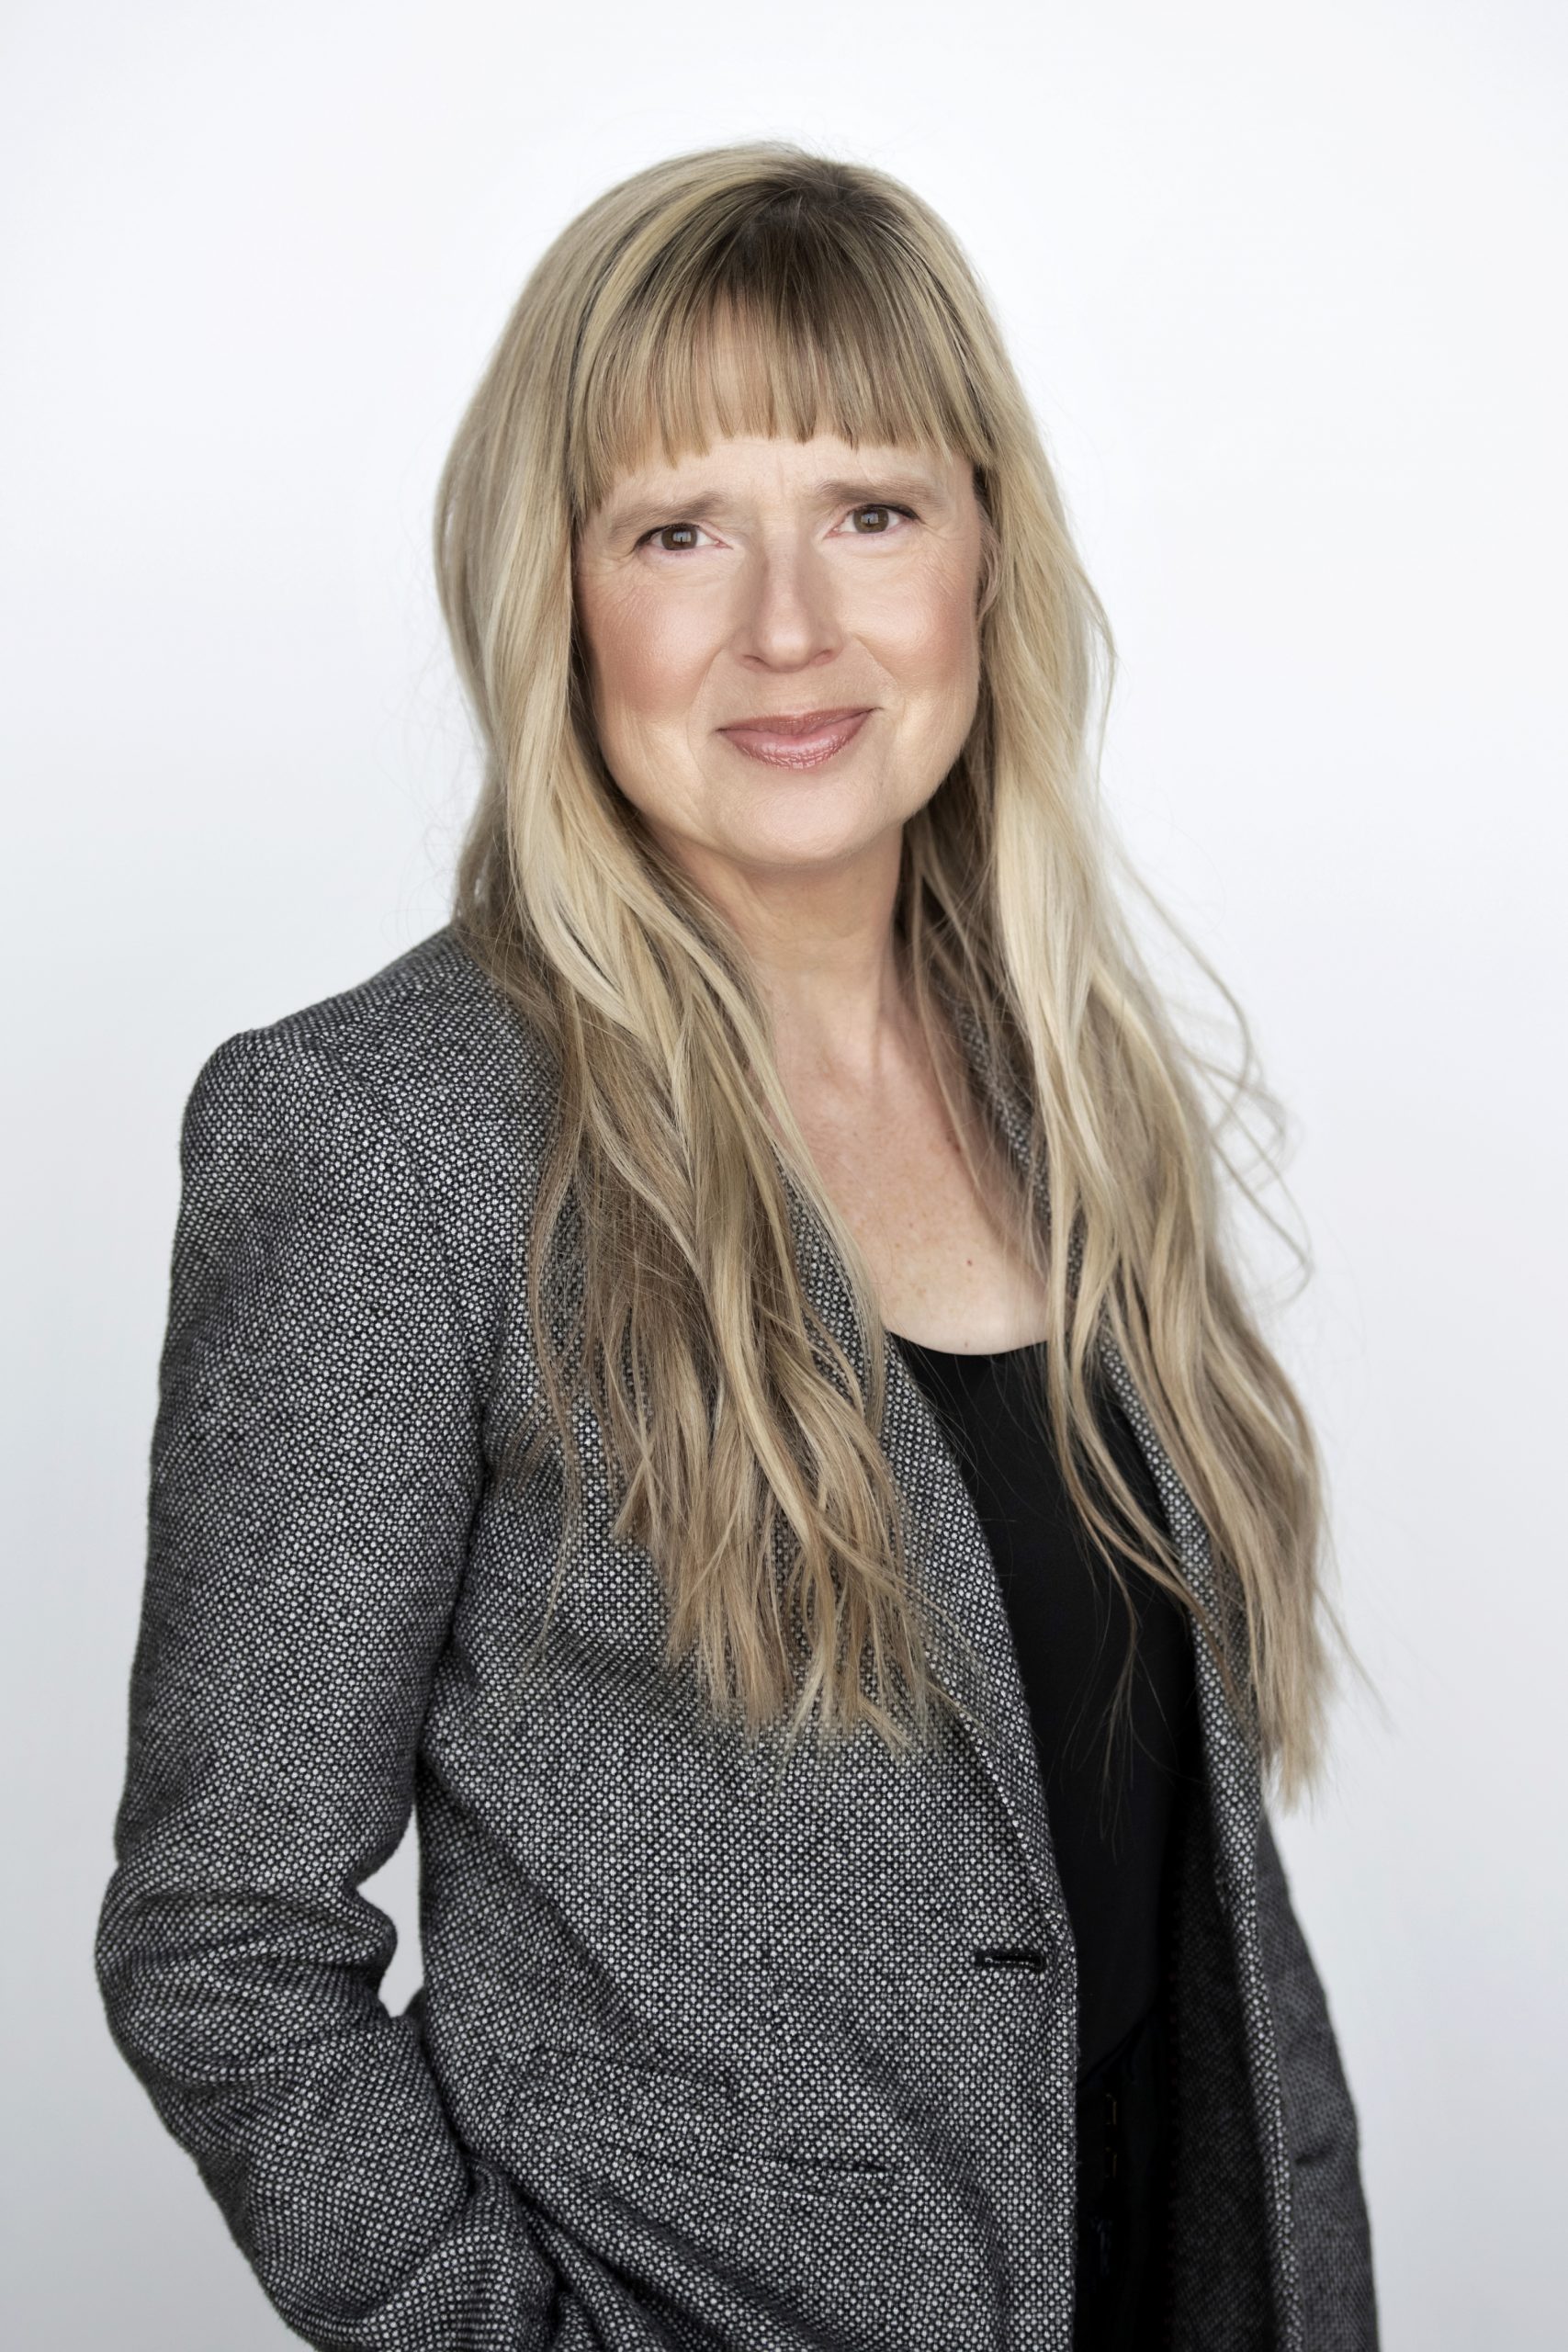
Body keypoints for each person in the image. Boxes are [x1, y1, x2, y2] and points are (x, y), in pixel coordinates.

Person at [94, 142, 1378, 2351]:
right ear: (555, 591)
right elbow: (222, 1939)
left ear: (983, 551)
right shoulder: (385, 1141)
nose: (789, 627)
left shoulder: (1065, 1074)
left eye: (868, 509)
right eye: (678, 530)